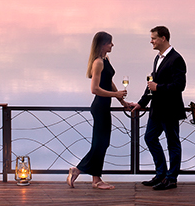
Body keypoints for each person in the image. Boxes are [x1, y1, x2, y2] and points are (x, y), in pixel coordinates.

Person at [67, 31, 129, 190]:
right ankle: (81, 172)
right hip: (100, 107)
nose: (112, 45)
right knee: (100, 143)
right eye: (110, 43)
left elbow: (109, 82)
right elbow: (94, 89)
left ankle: (95, 179)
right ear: (102, 44)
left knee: (101, 143)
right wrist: (116, 94)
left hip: (104, 107)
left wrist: (122, 101)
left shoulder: (105, 59)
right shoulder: (98, 63)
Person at [129, 26, 187, 191]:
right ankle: (161, 174)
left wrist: (158, 87)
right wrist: (141, 103)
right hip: (156, 110)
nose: (151, 41)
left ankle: (171, 179)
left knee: (173, 143)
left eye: (153, 38)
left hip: (170, 110)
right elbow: (150, 85)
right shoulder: (158, 58)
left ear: (163, 38)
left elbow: (179, 86)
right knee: (149, 138)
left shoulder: (177, 59)